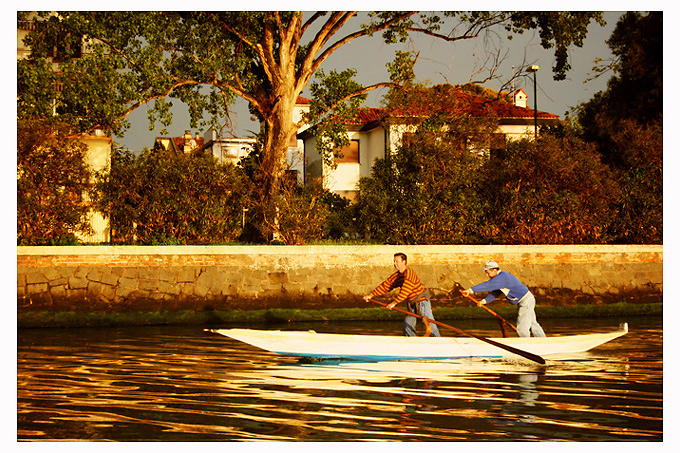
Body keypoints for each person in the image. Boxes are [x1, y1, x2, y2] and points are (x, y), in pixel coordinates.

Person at [461, 260, 546, 338]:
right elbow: (496, 292)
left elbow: (487, 285)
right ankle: (543, 341)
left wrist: (470, 290)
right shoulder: (500, 278)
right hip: (528, 299)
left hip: (526, 301)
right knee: (532, 323)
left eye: (488, 273)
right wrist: (484, 301)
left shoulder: (502, 278)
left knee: (522, 327)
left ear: (494, 270)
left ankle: (525, 345)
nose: (487, 275)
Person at [363, 252, 441, 337]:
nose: (394, 263)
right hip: (411, 303)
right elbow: (386, 285)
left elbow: (405, 291)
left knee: (430, 324)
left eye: (397, 261)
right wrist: (371, 295)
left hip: (422, 302)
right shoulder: (397, 276)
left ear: (404, 262)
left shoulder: (410, 274)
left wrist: (394, 303)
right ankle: (410, 343)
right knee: (408, 326)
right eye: (394, 261)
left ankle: (439, 341)